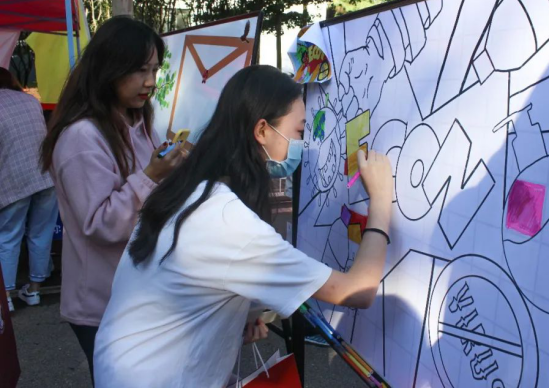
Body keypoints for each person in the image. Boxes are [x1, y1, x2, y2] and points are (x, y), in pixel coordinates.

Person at [93, 65, 393, 387]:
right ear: (262, 130)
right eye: (299, 132)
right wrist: (381, 201)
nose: (303, 144)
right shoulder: (226, 219)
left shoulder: (189, 188)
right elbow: (356, 290)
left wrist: (236, 313)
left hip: (123, 367)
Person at [40, 17, 186, 380]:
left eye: (154, 69)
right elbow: (102, 223)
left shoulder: (137, 121)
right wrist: (152, 175)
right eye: (139, 70)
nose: (150, 81)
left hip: (139, 294)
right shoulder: (81, 137)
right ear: (109, 67)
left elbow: (154, 195)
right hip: (104, 303)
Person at [0, 68, 59, 313]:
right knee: (41, 233)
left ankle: (6, 296)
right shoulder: (30, 101)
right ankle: (34, 290)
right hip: (46, 176)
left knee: (8, 237)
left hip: (14, 180)